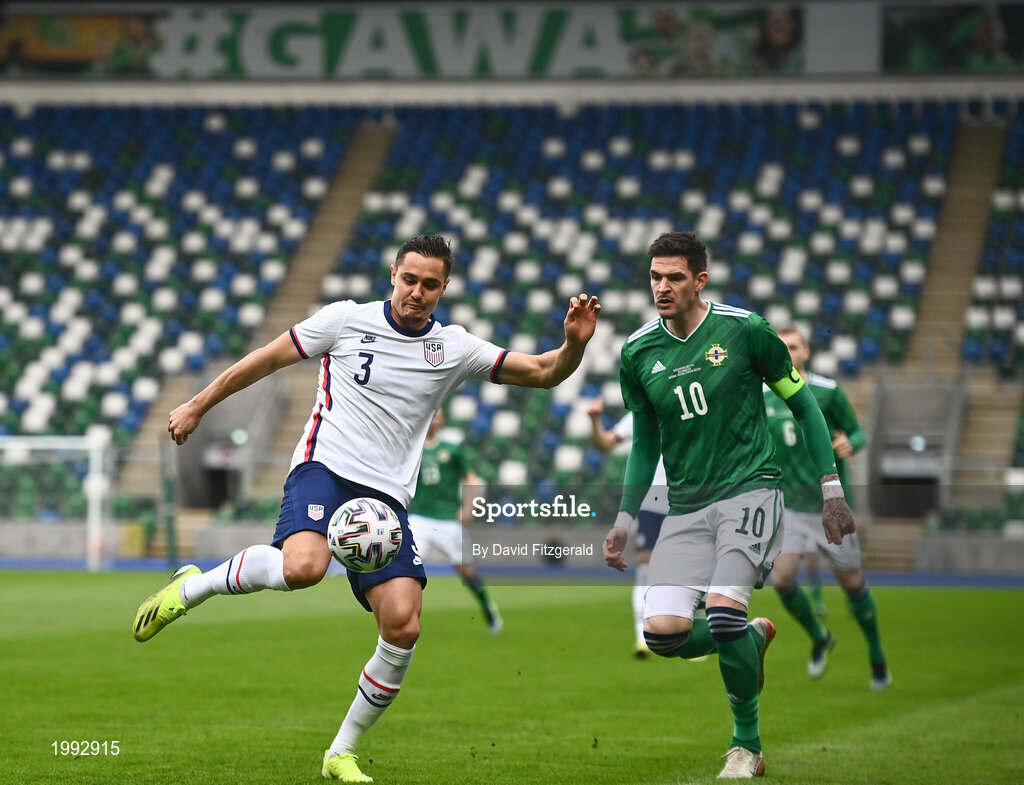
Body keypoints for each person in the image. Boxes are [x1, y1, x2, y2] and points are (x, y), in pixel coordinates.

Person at [133, 233, 601, 783]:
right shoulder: (345, 321)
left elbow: (544, 372)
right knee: (303, 568)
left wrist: (574, 345)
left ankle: (340, 753)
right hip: (324, 469)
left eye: (431, 284)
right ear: (393, 275)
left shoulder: (453, 347)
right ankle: (194, 586)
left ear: (444, 288)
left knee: (403, 625)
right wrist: (196, 404)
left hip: (385, 500)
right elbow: (264, 360)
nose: (417, 292)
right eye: (410, 279)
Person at [601, 231, 855, 779]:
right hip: (685, 505)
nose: (662, 287)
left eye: (673, 277)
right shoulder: (638, 351)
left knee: (720, 612)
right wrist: (625, 518)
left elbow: (806, 407)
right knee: (662, 633)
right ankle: (752, 635)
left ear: (700, 280)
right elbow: (646, 442)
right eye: (654, 277)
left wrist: (832, 490)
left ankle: (748, 746)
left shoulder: (746, 331)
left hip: (750, 490)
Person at [763, 324, 890, 690]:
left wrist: (851, 443)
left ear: (806, 351)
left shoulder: (827, 391)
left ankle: (877, 655)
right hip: (788, 506)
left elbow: (858, 432)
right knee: (783, 579)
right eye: (781, 346)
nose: (788, 352)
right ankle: (819, 636)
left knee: (851, 582)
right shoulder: (763, 394)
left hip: (828, 505)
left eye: (794, 346)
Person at [587, 397, 670, 658]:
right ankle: (642, 637)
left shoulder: (686, 399)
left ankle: (697, 629)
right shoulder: (640, 413)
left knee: (697, 567)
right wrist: (594, 420)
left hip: (689, 494)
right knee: (645, 569)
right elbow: (604, 444)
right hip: (651, 500)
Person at [408, 407, 502, 634]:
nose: (434, 420)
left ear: (443, 420)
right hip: (418, 517)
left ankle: (487, 606)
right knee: (407, 569)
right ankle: (406, 618)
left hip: (447, 518)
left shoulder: (453, 447)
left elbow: (471, 477)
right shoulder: (412, 446)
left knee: (466, 571)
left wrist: (468, 507)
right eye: (431, 414)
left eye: (438, 416)